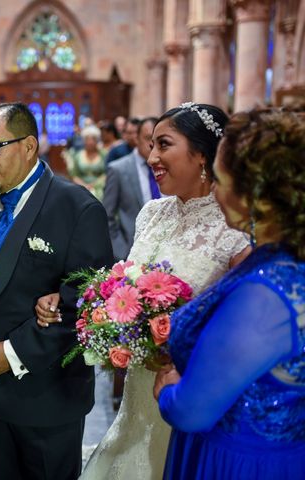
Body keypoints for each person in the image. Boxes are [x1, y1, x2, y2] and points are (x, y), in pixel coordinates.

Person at [36, 103, 249, 479]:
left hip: (186, 391)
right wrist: (108, 317)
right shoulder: (152, 213)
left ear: (202, 154)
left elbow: (242, 332)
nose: (151, 156)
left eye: (163, 144)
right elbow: (125, 288)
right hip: (137, 391)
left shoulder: (233, 230)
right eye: (150, 145)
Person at [0, 102, 114, 479]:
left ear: (29, 146)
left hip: (45, 394)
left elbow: (84, 305)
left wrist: (12, 353)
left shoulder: (76, 208)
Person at [154, 106, 305, 479]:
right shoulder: (276, 257)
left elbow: (192, 410)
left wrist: (169, 391)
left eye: (219, 180)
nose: (214, 191)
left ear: (258, 196)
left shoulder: (264, 294)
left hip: (240, 461)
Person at [103, 117, 157, 261]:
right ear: (136, 138)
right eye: (147, 138)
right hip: (130, 252)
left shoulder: (166, 168)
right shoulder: (118, 169)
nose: (152, 144)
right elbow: (106, 215)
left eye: (157, 140)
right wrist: (121, 250)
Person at [64, 125, 106, 200]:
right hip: (81, 187)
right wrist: (84, 185)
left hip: (100, 188)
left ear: (97, 141)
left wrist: (94, 185)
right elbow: (74, 175)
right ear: (83, 140)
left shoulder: (103, 154)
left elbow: (106, 174)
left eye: (93, 139)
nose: (90, 142)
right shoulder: (78, 155)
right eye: (87, 139)